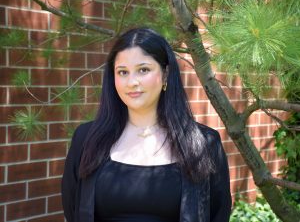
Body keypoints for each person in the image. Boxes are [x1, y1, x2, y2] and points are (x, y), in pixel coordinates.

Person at [61, 27, 232, 222]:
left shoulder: (204, 143)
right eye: (122, 72)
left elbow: (218, 213)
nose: (132, 82)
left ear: (166, 74)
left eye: (143, 70)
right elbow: (72, 209)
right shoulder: (86, 139)